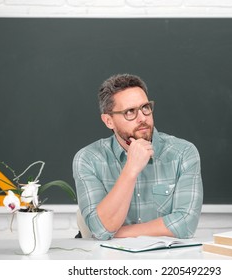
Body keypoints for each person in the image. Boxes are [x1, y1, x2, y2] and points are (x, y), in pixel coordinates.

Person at [72, 73, 203, 240]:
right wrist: (131, 169)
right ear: (108, 121)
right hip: (111, 260)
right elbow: (100, 229)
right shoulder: (88, 159)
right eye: (130, 112)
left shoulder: (183, 153)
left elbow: (185, 225)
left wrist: (117, 233)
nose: (142, 118)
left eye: (145, 108)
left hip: (166, 260)